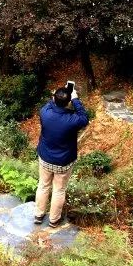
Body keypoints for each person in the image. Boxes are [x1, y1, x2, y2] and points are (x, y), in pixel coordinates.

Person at [34, 84, 89, 228]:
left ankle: (39, 215)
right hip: (63, 162)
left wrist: (59, 94)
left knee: (43, 185)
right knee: (59, 190)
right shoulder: (73, 120)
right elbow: (84, 118)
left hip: (45, 158)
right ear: (69, 102)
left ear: (53, 98)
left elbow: (51, 103)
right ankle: (54, 220)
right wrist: (75, 99)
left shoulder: (44, 112)